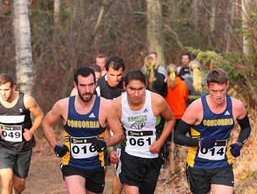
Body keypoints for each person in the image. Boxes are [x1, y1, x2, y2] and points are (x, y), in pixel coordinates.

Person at [41, 66, 123, 194]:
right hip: (72, 164)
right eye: (83, 85)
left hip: (96, 166)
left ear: (95, 84)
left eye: (91, 85)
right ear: (75, 85)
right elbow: (46, 123)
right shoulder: (63, 105)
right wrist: (55, 145)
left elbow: (119, 134)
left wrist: (106, 144)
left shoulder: (106, 106)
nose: (87, 90)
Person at [174, 68, 251, 194]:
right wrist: (200, 143)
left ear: (227, 85)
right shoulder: (196, 107)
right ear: (207, 87)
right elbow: (177, 136)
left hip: (222, 165)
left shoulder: (237, 106)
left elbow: (246, 127)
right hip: (197, 166)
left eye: (222, 90)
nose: (219, 95)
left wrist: (239, 144)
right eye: (214, 91)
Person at [112, 70, 175, 194]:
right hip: (129, 155)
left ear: (146, 85)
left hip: (152, 156)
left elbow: (171, 120)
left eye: (140, 89)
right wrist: (110, 150)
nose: (136, 94)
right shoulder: (117, 104)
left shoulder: (156, 101)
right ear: (125, 86)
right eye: (132, 89)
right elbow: (105, 126)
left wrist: (160, 142)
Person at [0, 73, 44, 194]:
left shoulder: (26, 100)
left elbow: (40, 115)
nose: (3, 93)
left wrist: (31, 131)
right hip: (3, 147)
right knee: (6, 181)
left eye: (6, 89)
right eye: (0, 90)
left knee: (19, 186)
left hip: (23, 148)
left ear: (13, 88)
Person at [95, 55, 125, 194]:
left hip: (119, 129)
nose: (116, 78)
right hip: (101, 130)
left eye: (119, 75)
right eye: (112, 74)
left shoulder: (125, 85)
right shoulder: (99, 86)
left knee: (120, 167)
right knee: (101, 168)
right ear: (106, 71)